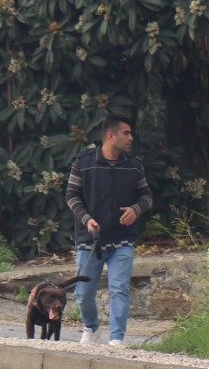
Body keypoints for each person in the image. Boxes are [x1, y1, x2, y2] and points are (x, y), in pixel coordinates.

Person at [65, 115, 152, 346]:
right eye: (126, 133)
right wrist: (87, 219)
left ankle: (116, 339)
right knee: (83, 294)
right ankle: (91, 327)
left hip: (123, 240)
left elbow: (146, 197)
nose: (131, 138)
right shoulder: (82, 164)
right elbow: (71, 197)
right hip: (90, 240)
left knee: (119, 289)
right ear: (110, 136)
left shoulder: (134, 166)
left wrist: (136, 209)